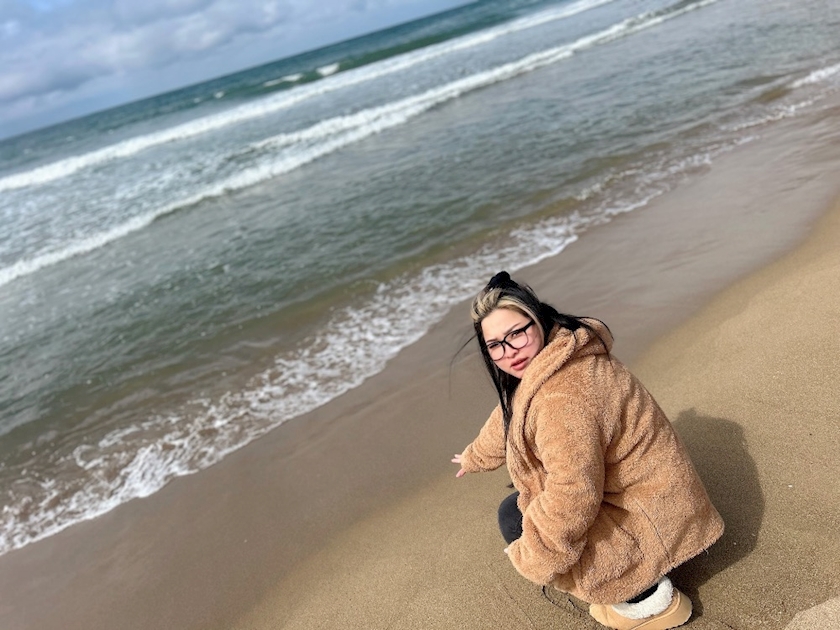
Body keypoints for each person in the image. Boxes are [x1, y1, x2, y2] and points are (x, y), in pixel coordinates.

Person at [452, 271, 723, 630]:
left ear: (537, 320)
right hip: (663, 500)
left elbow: (574, 493)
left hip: (650, 521)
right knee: (523, 503)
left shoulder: (561, 397)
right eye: (495, 345)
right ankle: (639, 581)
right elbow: (510, 415)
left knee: (514, 519)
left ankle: (647, 601)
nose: (508, 352)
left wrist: (533, 558)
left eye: (517, 333)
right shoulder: (564, 353)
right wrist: (474, 456)